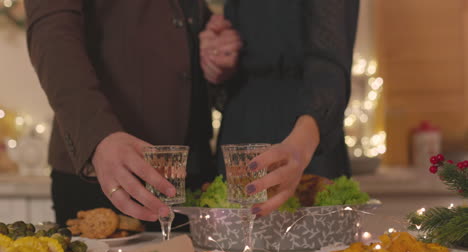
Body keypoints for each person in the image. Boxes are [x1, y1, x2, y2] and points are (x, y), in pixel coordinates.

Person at [24, 0, 241, 228]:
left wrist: (215, 46)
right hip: (108, 173)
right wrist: (99, 137)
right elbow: (52, 33)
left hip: (194, 176)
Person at [200, 0, 359, 216]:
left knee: (309, 243)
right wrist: (219, 61)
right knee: (228, 246)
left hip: (302, 133)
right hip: (239, 133)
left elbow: (330, 66)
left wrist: (301, 144)